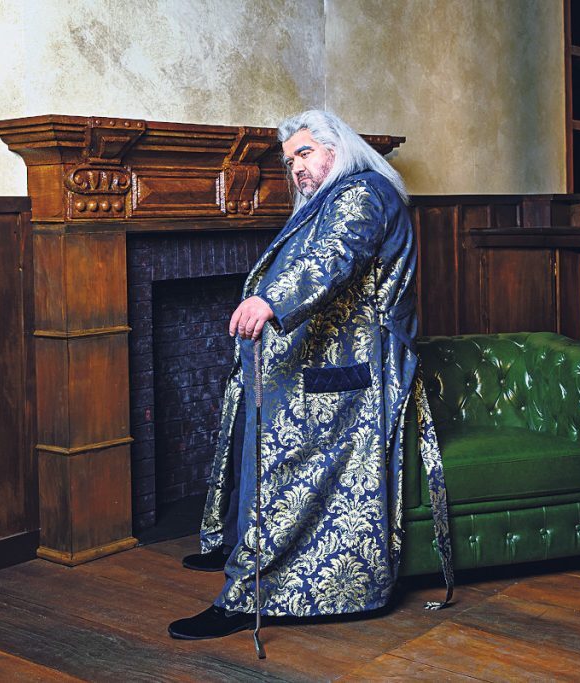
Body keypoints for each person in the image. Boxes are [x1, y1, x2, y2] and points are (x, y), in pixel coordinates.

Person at [168, 110, 453, 640]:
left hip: (354, 375)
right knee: (252, 437)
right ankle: (240, 549)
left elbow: (332, 257)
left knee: (289, 469)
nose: (295, 167)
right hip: (325, 364)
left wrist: (270, 302)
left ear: (336, 150)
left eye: (305, 153)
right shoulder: (331, 196)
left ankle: (250, 595)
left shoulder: (361, 192)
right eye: (289, 160)